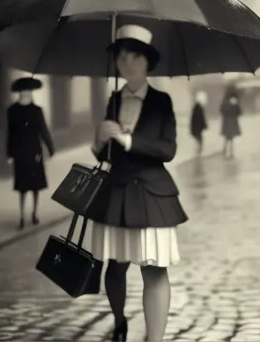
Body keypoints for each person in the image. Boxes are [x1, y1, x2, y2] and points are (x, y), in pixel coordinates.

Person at [87, 25, 187, 342]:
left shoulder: (161, 101)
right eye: (121, 57)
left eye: (134, 56)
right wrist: (99, 139)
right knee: (115, 266)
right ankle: (119, 320)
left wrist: (127, 140)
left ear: (147, 62)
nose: (126, 63)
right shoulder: (114, 101)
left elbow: (167, 149)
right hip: (116, 192)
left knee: (154, 268)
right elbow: (104, 153)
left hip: (151, 192)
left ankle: (154, 339)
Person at [6, 77, 54, 230]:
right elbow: (10, 134)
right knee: (22, 187)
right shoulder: (12, 111)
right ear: (19, 93)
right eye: (23, 92)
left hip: (35, 152)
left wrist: (50, 148)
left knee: (35, 186)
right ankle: (21, 216)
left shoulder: (37, 111)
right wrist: (9, 153)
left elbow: (43, 130)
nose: (26, 94)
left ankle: (34, 213)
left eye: (28, 92)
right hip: (20, 152)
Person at [220, 87, 242, 159]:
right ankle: (228, 152)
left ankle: (227, 152)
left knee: (228, 138)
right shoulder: (231, 103)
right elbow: (239, 113)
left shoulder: (224, 102)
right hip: (231, 122)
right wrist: (234, 106)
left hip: (227, 122)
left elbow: (222, 111)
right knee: (229, 138)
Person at [190, 91, 208, 160]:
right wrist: (204, 125)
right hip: (197, 128)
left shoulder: (196, 107)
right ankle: (198, 154)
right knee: (200, 140)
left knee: (199, 140)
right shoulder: (199, 108)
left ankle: (197, 153)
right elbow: (200, 119)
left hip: (196, 128)